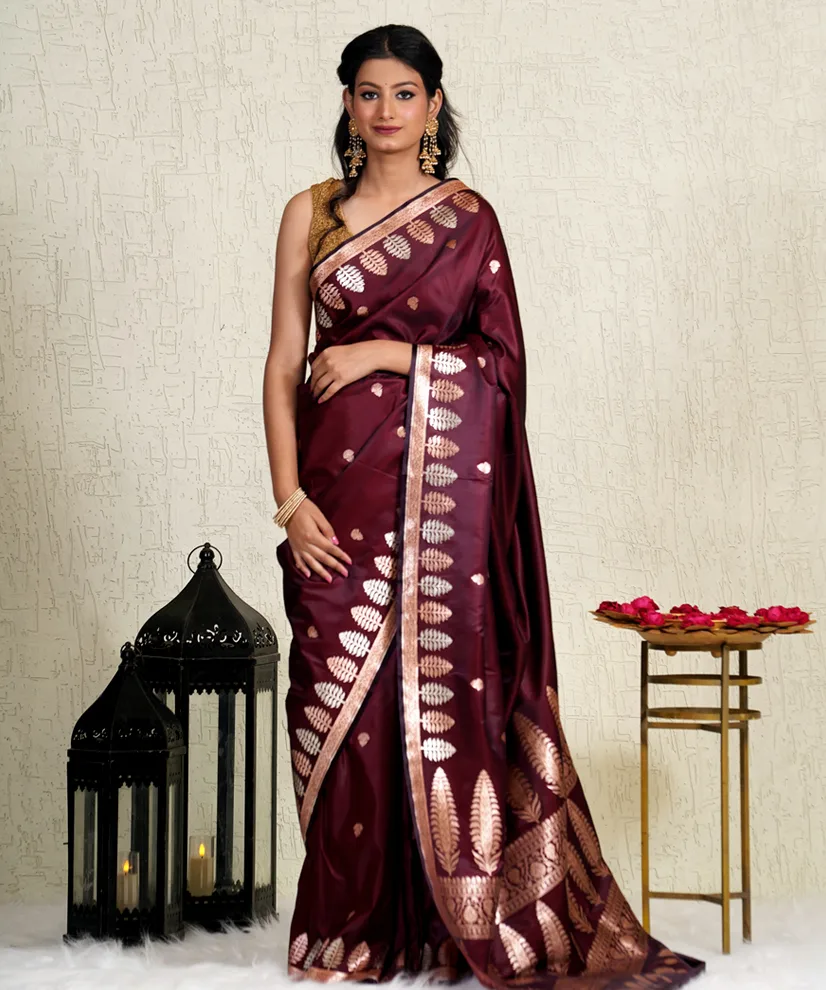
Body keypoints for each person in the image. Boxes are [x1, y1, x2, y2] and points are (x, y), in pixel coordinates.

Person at [262, 23, 706, 990]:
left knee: (434, 704)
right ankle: (347, 931)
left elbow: (503, 369)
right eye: (368, 92)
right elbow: (282, 359)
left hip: (440, 524)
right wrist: (288, 500)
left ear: (431, 105)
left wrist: (386, 355)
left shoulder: (468, 221)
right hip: (335, 498)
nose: (385, 110)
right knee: (333, 706)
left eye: (403, 93)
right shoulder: (312, 213)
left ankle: (436, 930)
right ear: (347, 104)